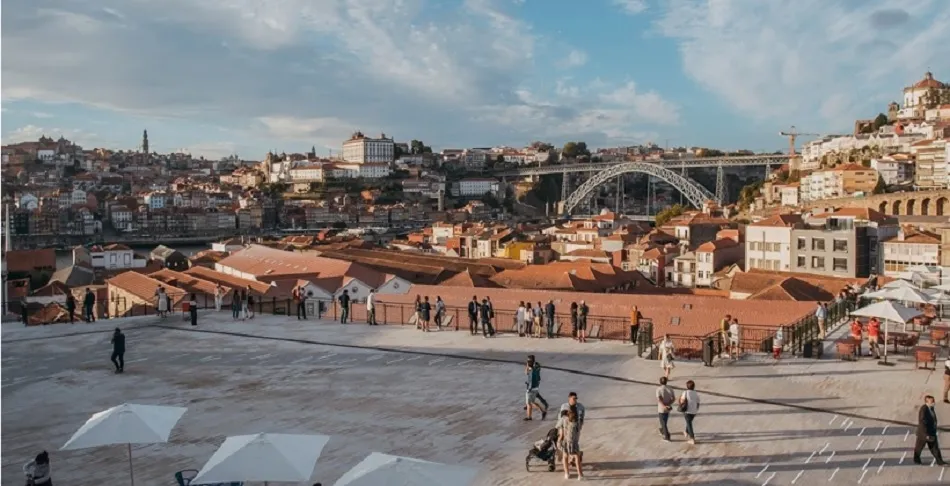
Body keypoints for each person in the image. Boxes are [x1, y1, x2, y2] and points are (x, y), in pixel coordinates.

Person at [914, 395, 946, 465]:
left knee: (935, 448)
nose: (933, 402)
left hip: (931, 432)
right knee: (919, 448)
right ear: (927, 402)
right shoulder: (923, 409)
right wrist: (926, 435)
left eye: (933, 401)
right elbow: (922, 423)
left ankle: (939, 461)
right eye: (932, 401)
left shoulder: (931, 408)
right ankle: (916, 459)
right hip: (923, 434)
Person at [558, 408, 584, 480]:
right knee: (576, 457)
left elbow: (561, 434)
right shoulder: (577, 422)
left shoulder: (564, 420)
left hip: (566, 442)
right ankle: (580, 474)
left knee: (565, 456)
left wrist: (559, 441)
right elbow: (578, 431)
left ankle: (567, 473)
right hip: (574, 442)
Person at [524, 355, 548, 421]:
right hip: (536, 386)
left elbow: (526, 372)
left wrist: (527, 365)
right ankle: (540, 412)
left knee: (529, 403)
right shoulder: (537, 365)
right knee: (531, 402)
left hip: (530, 387)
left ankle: (532, 416)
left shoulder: (530, 368)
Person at [679, 379, 700, 444]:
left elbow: (682, 401)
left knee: (689, 424)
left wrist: (680, 400)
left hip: (687, 410)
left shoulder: (685, 392)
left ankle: (692, 438)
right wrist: (696, 409)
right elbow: (698, 402)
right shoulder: (695, 393)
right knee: (689, 422)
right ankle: (686, 432)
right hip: (694, 411)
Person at [656, 376, 675, 442]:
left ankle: (667, 436)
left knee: (663, 422)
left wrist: (664, 406)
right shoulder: (670, 388)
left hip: (661, 408)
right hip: (668, 408)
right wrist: (669, 404)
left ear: (660, 382)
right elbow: (673, 398)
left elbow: (659, 399)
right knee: (665, 420)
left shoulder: (659, 389)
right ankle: (662, 430)